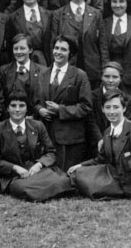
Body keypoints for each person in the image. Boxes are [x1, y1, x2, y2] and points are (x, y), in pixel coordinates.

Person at [68, 90, 131, 205]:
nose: (112, 112)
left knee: (84, 182)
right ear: (102, 109)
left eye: (116, 107)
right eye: (108, 107)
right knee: (78, 173)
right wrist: (81, 165)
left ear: (124, 108)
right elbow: (100, 159)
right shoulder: (107, 132)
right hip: (114, 176)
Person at [0, 89, 73, 201]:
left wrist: (39, 164)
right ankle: (51, 190)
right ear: (7, 108)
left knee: (64, 180)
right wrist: (15, 168)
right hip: (16, 176)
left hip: (37, 170)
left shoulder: (37, 126)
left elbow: (51, 152)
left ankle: (49, 188)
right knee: (22, 188)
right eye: (13, 106)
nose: (17, 109)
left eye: (21, 106)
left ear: (27, 109)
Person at [33, 34, 92, 172]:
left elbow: (86, 107)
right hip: (46, 134)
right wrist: (40, 110)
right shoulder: (42, 74)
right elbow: (35, 101)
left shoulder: (79, 75)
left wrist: (60, 110)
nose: (58, 52)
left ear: (70, 53)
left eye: (63, 49)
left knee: (65, 175)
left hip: (69, 138)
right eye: (56, 48)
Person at [50, 0, 101, 88]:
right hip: (66, 67)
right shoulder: (58, 14)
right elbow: (53, 44)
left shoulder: (96, 14)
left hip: (91, 69)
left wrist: (104, 68)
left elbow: (102, 45)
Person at [86, 62, 131, 156]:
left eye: (115, 77)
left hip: (119, 144)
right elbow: (91, 121)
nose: (110, 80)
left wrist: (112, 142)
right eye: (107, 76)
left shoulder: (127, 99)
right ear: (101, 77)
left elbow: (126, 123)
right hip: (95, 143)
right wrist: (100, 139)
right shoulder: (92, 96)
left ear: (121, 79)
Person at [4, 0, 52, 66]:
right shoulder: (12, 18)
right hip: (21, 62)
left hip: (44, 62)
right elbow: (9, 46)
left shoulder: (49, 15)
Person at [0, 34, 44, 108]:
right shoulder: (4, 71)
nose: (18, 52)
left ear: (30, 50)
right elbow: (0, 99)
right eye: (16, 49)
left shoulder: (42, 71)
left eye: (22, 48)